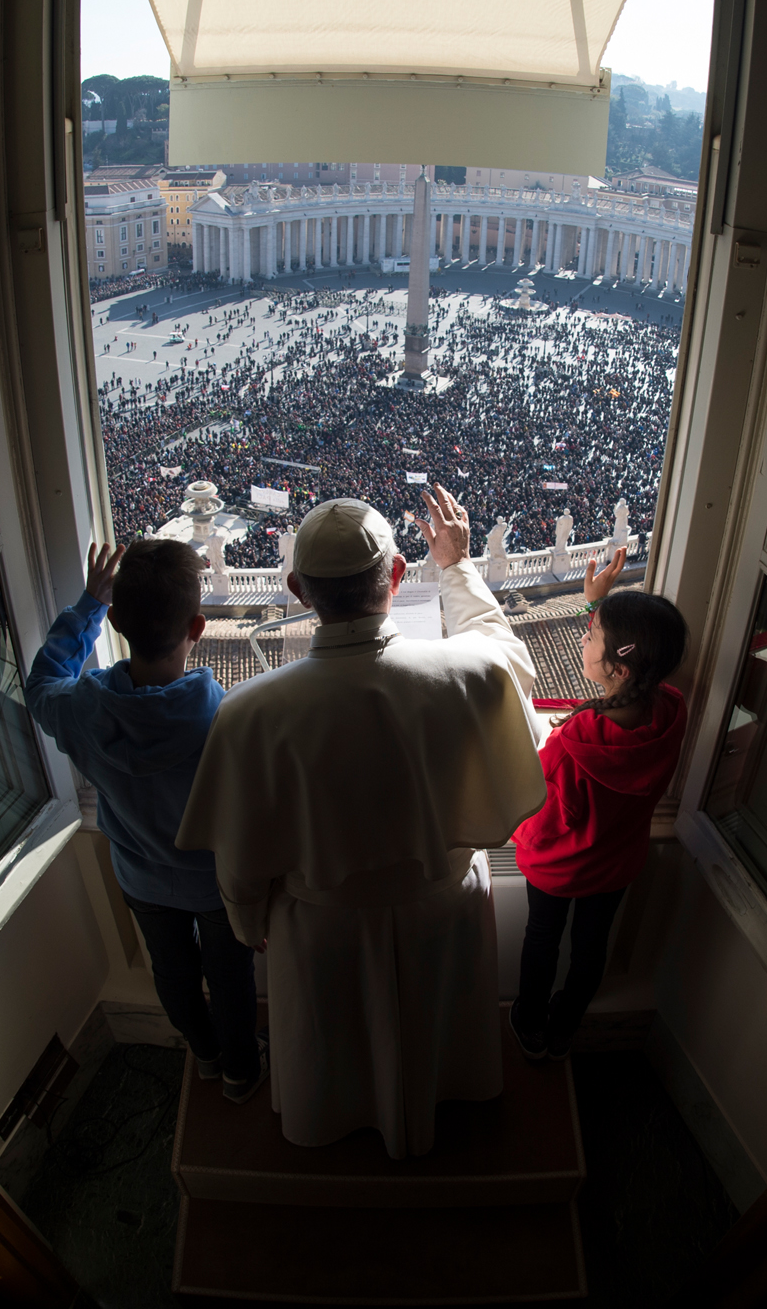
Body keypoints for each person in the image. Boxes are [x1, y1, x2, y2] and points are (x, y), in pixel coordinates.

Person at [173, 487, 547, 1158]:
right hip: (445, 908)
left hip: (322, 925)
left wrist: (248, 922)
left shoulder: (249, 711)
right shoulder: (471, 671)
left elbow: (241, 856)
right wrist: (457, 566)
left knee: (333, 1051)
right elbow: (505, 653)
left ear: (297, 588)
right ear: (398, 574)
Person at [25, 539, 264, 1102]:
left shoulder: (79, 710)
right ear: (198, 627)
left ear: (116, 620)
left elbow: (40, 685)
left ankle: (205, 1056)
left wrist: (88, 604)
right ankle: (240, 1073)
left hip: (140, 878)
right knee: (230, 978)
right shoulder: (228, 721)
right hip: (216, 884)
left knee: (172, 974)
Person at [508, 548, 689, 1061]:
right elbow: (628, 665)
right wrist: (597, 606)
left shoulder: (574, 745)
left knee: (542, 939)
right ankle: (564, 1029)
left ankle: (529, 1022)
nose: (583, 638)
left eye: (591, 635)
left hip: (560, 870)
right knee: (591, 949)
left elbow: (538, 822)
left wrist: (513, 830)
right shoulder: (670, 710)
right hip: (618, 864)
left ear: (620, 666)